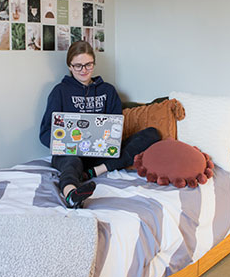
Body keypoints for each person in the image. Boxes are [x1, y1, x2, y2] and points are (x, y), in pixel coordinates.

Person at [39, 41, 160, 208]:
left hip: (101, 153)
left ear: (94, 63)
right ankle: (71, 194)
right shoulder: (59, 92)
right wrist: (64, 143)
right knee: (70, 162)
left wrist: (110, 138)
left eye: (88, 65)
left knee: (152, 134)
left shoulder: (108, 91)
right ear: (70, 66)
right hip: (71, 153)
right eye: (78, 66)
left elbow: (116, 126)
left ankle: (94, 172)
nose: (83, 70)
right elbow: (45, 133)